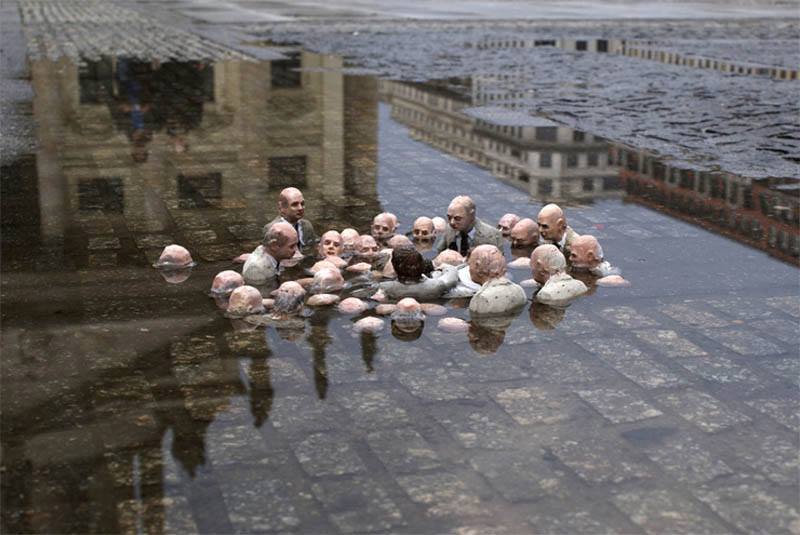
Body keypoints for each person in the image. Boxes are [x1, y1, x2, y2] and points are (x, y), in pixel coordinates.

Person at [377, 246, 459, 300]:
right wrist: (445, 266)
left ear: (394, 265)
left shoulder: (385, 287)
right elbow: (452, 277)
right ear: (421, 264)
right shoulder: (436, 285)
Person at [468, 245, 527, 316]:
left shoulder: (481, 298)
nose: (469, 269)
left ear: (478, 266)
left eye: (470, 264)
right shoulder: (520, 290)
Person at [435, 195, 504, 254]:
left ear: (471, 215)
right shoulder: (449, 229)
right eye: (449, 217)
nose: (452, 222)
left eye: (458, 218)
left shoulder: (492, 235)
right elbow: (439, 253)